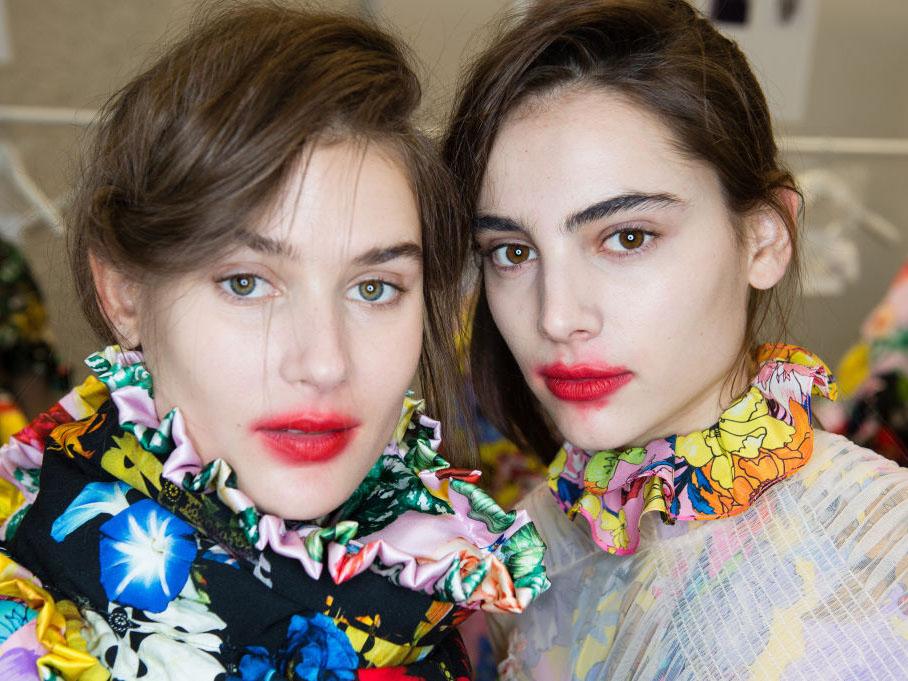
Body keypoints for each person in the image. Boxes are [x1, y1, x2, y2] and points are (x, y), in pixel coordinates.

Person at [0, 5, 549, 680]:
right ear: (124, 294)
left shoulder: (428, 579)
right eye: (245, 283)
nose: (323, 361)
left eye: (374, 288)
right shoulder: (30, 625)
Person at [443, 0, 908, 678]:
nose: (556, 315)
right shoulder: (529, 549)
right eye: (511, 251)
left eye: (627, 236)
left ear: (765, 237)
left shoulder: (884, 548)